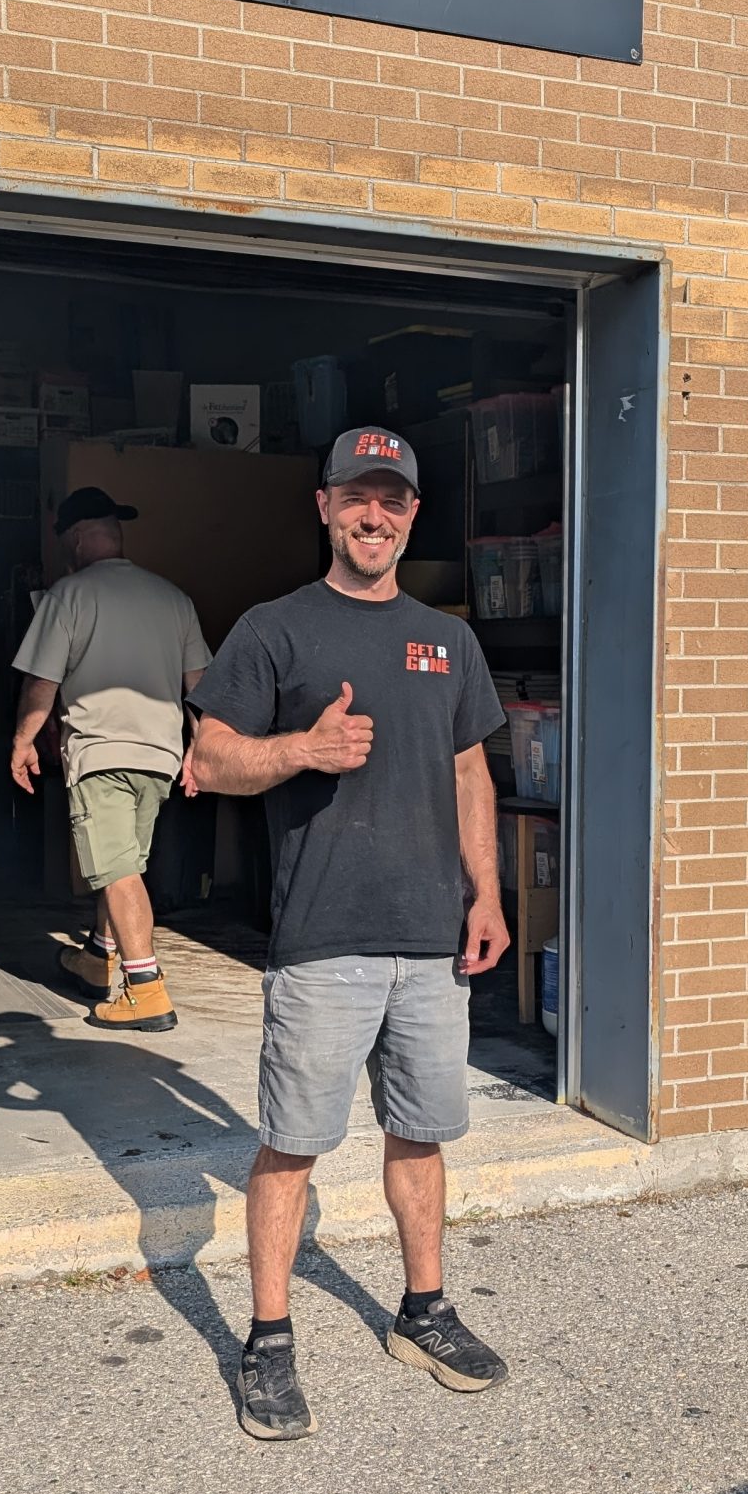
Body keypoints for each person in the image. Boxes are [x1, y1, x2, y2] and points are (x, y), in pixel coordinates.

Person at [188, 426, 512, 1441]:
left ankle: (422, 1312)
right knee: (292, 1145)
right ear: (323, 506)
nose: (377, 514)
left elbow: (469, 773)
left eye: (395, 499)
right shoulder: (273, 629)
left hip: (428, 939)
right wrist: (301, 748)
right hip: (323, 940)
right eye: (357, 497)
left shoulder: (448, 640)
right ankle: (268, 1339)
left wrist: (487, 896)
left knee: (419, 1133)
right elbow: (211, 757)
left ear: (413, 513)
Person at [10, 487, 210, 1033]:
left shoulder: (68, 596)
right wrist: (202, 752)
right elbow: (202, 689)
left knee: (117, 870)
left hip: (102, 752)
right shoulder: (173, 599)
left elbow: (41, 682)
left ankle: (146, 990)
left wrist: (23, 741)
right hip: (161, 756)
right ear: (112, 532)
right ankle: (99, 959)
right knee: (124, 862)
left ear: (74, 539)